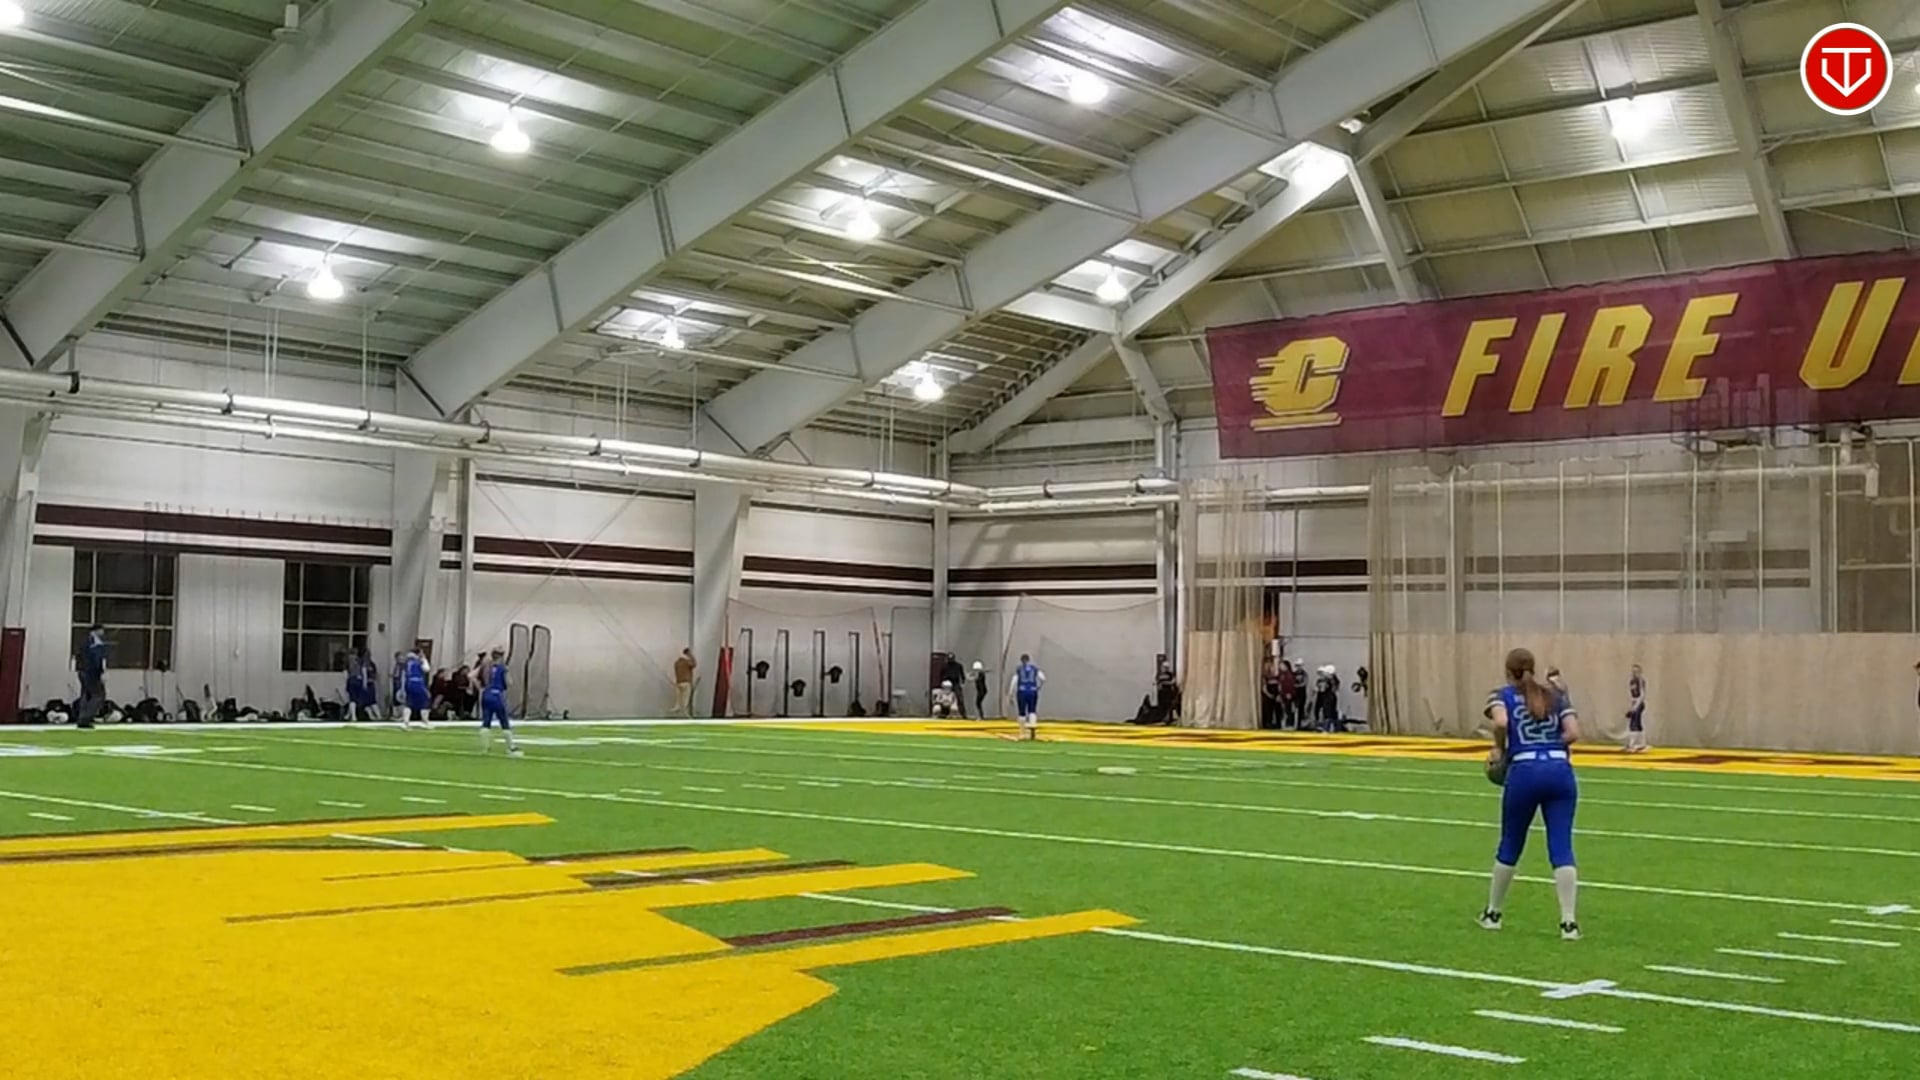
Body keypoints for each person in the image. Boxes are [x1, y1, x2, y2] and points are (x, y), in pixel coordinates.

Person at [1478, 646, 1582, 941]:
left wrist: (1501, 748)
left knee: (1511, 843)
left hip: (1524, 771)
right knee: (1561, 847)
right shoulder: (1555, 695)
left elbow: (1501, 722)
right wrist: (1550, 744)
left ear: (1508, 671)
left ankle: (1493, 914)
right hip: (1560, 771)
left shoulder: (1502, 695)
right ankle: (1569, 922)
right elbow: (1573, 732)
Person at [478, 647, 521, 756]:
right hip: (497, 695)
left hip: (486, 694)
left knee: (486, 721)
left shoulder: (486, 667)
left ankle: (485, 748)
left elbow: (473, 676)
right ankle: (510, 748)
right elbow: (509, 682)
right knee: (504, 721)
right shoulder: (503, 668)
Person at [74, 624, 108, 730]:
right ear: (96, 631)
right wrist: (101, 672)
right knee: (98, 695)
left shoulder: (84, 642)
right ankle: (86, 718)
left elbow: (78, 656)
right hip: (92, 673)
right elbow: (98, 659)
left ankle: (81, 718)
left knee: (86, 695)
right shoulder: (96, 643)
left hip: (83, 671)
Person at [1011, 653, 1045, 741]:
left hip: (1022, 691)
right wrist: (1038, 687)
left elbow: (1014, 681)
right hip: (1032, 691)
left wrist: (1010, 693)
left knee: (1022, 712)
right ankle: (1032, 729)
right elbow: (1043, 678)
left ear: (1021, 660)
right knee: (1032, 711)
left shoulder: (1019, 669)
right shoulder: (1034, 668)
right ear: (1029, 660)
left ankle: (1022, 733)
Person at [398, 649, 432, 730]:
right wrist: (424, 659)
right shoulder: (418, 661)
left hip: (409, 683)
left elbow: (403, 675)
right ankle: (425, 721)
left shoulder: (406, 662)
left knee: (409, 703)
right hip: (418, 683)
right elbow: (427, 669)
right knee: (425, 701)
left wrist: (402, 687)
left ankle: (406, 722)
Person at [344, 648, 378, 722]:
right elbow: (364, 671)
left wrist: (347, 682)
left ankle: (352, 716)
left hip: (351, 680)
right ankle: (350, 715)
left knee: (352, 699)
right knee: (358, 699)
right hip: (359, 680)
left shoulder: (347, 661)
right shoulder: (360, 661)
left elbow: (345, 674)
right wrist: (364, 683)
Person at [1624, 663, 1649, 753]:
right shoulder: (1632, 682)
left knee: (1634, 723)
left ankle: (1632, 744)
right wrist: (1631, 707)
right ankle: (1642, 744)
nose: (1634, 673)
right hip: (1634, 702)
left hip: (1639, 703)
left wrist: (1636, 706)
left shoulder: (1640, 681)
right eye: (1633, 671)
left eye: (1636, 671)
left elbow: (1642, 695)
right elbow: (1632, 695)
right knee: (1637, 724)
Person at [941, 654, 968, 719]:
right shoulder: (944, 666)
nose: (950, 660)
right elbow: (941, 675)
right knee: (945, 698)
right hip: (947, 684)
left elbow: (962, 675)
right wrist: (942, 683)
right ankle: (944, 714)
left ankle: (963, 714)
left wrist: (963, 682)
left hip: (955, 683)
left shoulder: (958, 666)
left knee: (959, 698)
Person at [671, 647, 696, 717]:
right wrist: (691, 655)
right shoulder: (686, 662)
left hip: (678, 683)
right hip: (686, 683)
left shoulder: (677, 663)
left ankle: (677, 708)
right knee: (685, 701)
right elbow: (694, 664)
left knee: (678, 701)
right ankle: (685, 714)